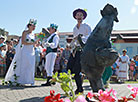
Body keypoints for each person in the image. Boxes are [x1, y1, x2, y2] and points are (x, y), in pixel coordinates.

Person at [5, 19, 38, 86]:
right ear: (29, 26)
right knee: (24, 65)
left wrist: (35, 43)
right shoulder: (24, 32)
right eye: (33, 26)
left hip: (31, 51)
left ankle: (31, 80)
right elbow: (23, 42)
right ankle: (22, 80)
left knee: (31, 65)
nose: (34, 27)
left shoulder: (33, 34)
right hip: (25, 51)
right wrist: (32, 43)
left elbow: (34, 44)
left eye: (35, 26)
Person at [67, 8, 91, 94]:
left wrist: (81, 38)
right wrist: (71, 46)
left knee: (77, 69)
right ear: (75, 17)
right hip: (75, 50)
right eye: (78, 15)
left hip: (83, 50)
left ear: (83, 17)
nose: (79, 17)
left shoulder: (86, 26)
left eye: (81, 15)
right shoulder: (74, 28)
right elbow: (74, 40)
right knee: (69, 68)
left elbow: (89, 37)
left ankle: (79, 88)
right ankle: (80, 80)